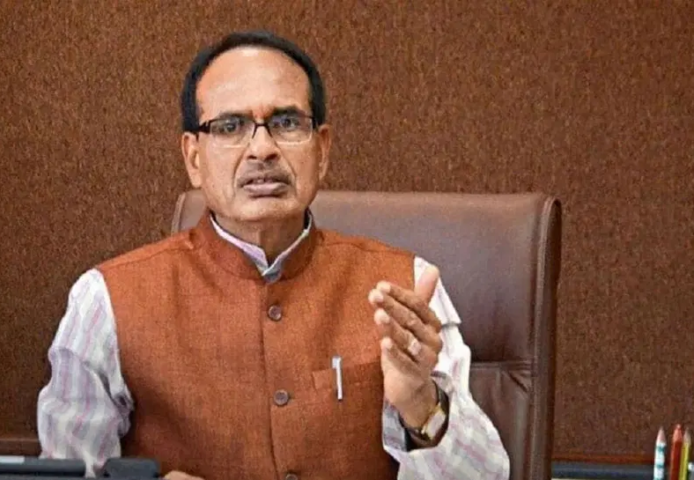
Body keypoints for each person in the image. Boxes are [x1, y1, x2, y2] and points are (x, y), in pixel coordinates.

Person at [37, 30, 510, 480]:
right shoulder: (105, 301)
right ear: (194, 158)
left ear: (322, 150)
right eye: (230, 126)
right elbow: (69, 469)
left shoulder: (406, 289)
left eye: (286, 123)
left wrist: (422, 404)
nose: (262, 149)